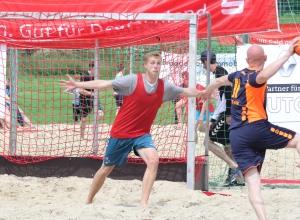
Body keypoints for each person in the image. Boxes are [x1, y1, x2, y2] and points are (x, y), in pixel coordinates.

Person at [60, 51, 203, 208]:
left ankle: (143, 203)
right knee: (105, 170)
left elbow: (186, 91)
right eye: (153, 63)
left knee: (153, 160)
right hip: (121, 133)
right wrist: (78, 84)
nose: (156, 66)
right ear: (146, 65)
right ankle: (88, 201)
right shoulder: (133, 80)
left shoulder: (164, 86)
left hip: (142, 134)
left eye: (158, 63)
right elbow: (104, 84)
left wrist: (204, 93)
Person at [199, 40, 300, 220]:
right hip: (257, 129)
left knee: (253, 184)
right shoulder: (257, 77)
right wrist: (287, 54)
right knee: (298, 139)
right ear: (266, 58)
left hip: (237, 136)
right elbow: (266, 73)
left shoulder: (236, 76)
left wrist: (207, 92)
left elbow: (217, 81)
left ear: (246, 60)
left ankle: (263, 218)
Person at [200, 50, 244, 186]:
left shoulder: (220, 72)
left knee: (207, 142)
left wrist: (226, 115)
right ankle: (238, 178)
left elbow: (228, 95)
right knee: (227, 145)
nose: (202, 66)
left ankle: (233, 165)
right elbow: (222, 98)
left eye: (202, 63)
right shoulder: (220, 72)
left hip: (227, 114)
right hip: (227, 113)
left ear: (205, 62)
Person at [78, 61, 104, 139]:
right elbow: (80, 90)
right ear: (92, 68)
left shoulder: (96, 76)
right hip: (84, 99)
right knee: (84, 119)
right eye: (97, 68)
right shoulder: (84, 76)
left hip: (95, 99)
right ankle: (82, 136)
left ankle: (94, 126)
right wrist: (92, 94)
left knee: (100, 114)